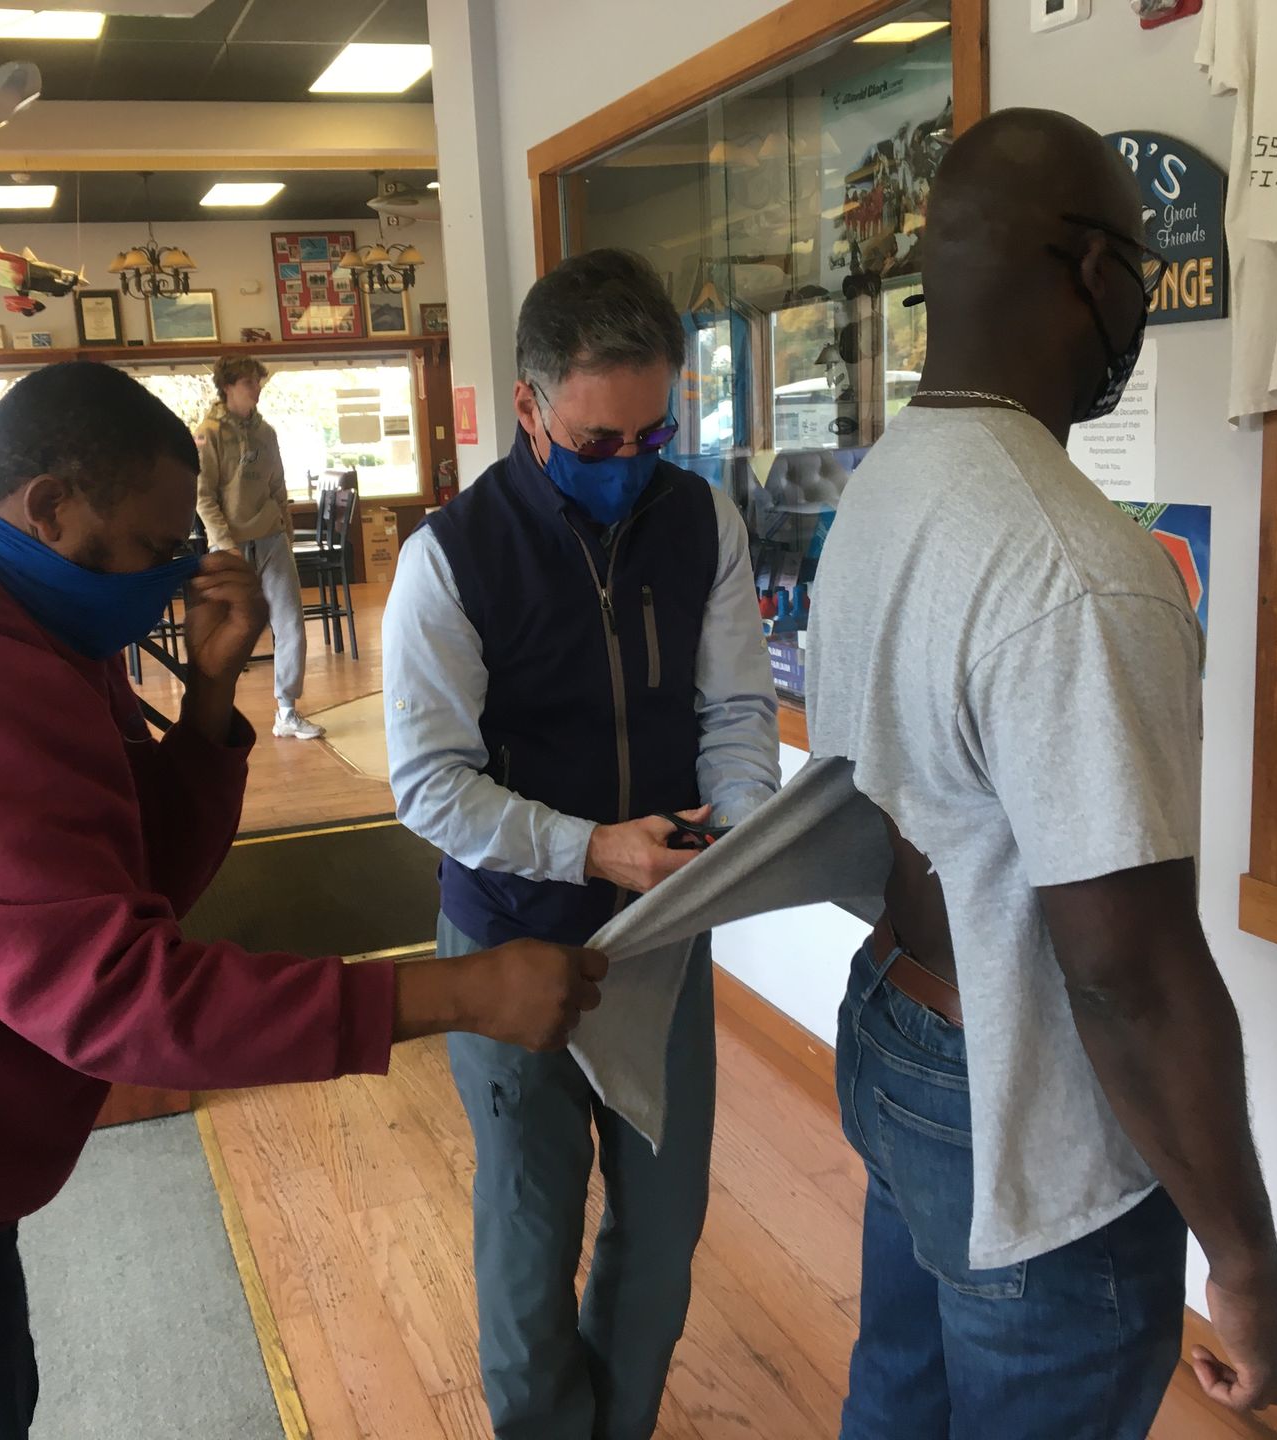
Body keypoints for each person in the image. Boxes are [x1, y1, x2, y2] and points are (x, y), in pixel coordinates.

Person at [0, 362, 608, 1440]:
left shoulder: (26, 625)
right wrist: (458, 995)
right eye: (158, 548)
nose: (180, 574)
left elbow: (128, 882)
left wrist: (205, 702)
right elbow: (117, 997)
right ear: (51, 507)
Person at [807, 110, 1277, 1437]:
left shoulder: (884, 485)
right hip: (1017, 1098)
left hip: (894, 1034)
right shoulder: (1080, 568)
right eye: (1143, 276)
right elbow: (1127, 975)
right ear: (1095, 276)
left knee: (899, 1408)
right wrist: (1250, 1271)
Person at [383, 249, 780, 1440]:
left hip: (659, 939)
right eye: (596, 441)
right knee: (529, 1229)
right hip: (510, 942)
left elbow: (737, 713)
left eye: (652, 435)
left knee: (661, 1232)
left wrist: (748, 825)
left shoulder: (699, 517)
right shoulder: (449, 561)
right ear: (527, 408)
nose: (628, 466)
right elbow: (428, 786)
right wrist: (589, 849)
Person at [194, 355, 321, 739]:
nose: (257, 387)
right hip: (230, 547)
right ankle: (212, 713)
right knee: (227, 632)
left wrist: (285, 530)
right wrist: (225, 545)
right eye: (249, 381)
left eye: (259, 381)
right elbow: (204, 496)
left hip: (271, 540)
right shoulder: (209, 432)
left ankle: (287, 710)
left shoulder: (267, 433)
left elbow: (278, 487)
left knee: (290, 623)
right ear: (229, 386)